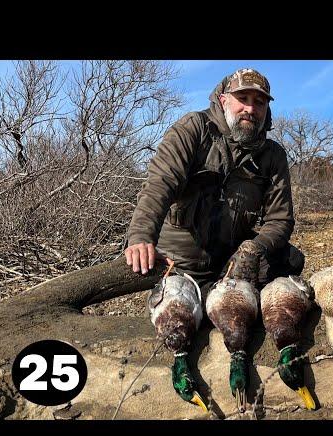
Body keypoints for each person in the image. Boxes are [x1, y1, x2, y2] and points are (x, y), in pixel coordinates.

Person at [124, 67, 304, 294]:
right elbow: (160, 184)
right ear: (223, 99)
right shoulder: (193, 128)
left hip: (231, 262)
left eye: (259, 102)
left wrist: (254, 248)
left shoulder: (273, 154)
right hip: (178, 263)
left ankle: (229, 292)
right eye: (242, 98)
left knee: (291, 259)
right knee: (178, 315)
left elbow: (280, 220)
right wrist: (141, 236)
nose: (250, 108)